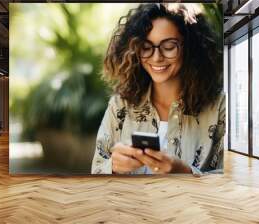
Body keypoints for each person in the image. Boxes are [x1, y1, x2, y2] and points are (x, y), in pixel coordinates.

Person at [91, 3, 225, 175]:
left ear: (190, 47)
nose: (156, 57)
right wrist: (113, 167)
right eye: (146, 48)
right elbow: (96, 171)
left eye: (168, 47)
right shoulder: (120, 105)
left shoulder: (220, 107)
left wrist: (184, 173)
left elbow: (231, 181)